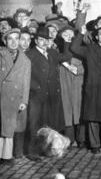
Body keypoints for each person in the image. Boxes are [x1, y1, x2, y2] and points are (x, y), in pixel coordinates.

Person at [71, 26, 101, 154]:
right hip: (94, 86)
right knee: (93, 116)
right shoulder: (90, 49)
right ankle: (95, 144)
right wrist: (81, 33)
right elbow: (74, 48)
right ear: (96, 37)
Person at [26, 26, 72, 160]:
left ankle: (48, 150)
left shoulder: (52, 53)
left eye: (46, 39)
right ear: (36, 41)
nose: (44, 42)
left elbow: (67, 56)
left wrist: (67, 42)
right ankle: (33, 152)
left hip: (52, 94)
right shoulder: (30, 55)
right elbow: (26, 75)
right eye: (41, 39)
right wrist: (35, 88)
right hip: (37, 95)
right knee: (36, 124)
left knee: (51, 122)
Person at [0, 29, 31, 164]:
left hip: (15, 97)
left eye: (16, 39)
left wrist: (24, 100)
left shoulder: (25, 60)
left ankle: (6, 156)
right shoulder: (1, 55)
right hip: (2, 95)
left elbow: (26, 81)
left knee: (9, 127)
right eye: (10, 39)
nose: (13, 42)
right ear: (5, 41)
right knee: (1, 126)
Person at [58, 26, 86, 148]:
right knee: (66, 109)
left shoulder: (79, 48)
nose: (68, 36)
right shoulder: (57, 47)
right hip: (63, 80)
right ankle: (70, 139)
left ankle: (81, 139)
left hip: (78, 80)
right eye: (65, 34)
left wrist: (78, 70)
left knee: (79, 108)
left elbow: (87, 64)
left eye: (70, 34)